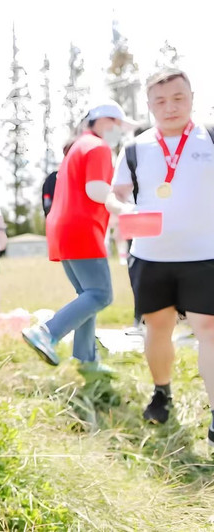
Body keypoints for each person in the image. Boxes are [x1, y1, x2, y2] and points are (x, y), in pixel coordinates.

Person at [105, 68, 214, 442]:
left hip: (205, 254)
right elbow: (116, 193)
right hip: (151, 255)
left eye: (178, 98)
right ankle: (162, 392)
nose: (170, 107)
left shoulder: (210, 137)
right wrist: (123, 210)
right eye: (161, 101)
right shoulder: (136, 147)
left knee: (209, 330)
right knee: (158, 328)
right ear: (149, 104)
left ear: (192, 98)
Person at [22, 101, 135, 376]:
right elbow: (96, 190)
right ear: (103, 122)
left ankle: (86, 360)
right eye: (117, 124)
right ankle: (46, 332)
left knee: (87, 295)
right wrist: (125, 208)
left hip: (63, 228)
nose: (119, 131)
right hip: (82, 229)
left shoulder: (78, 146)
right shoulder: (97, 147)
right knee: (100, 294)